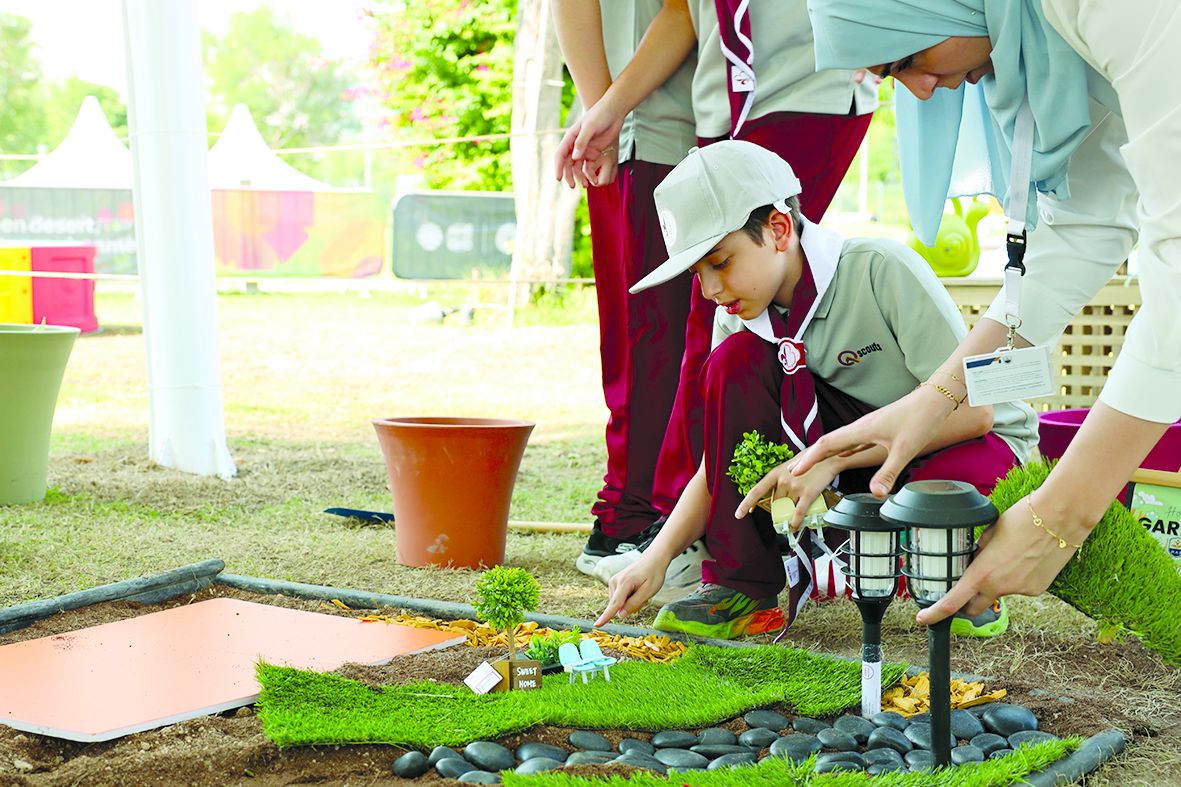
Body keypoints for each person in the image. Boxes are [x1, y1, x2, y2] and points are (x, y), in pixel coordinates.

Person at [791, 0, 1179, 628]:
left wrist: (1060, 518)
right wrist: (938, 395)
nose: (919, 92)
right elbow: (1083, 229)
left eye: (908, 59)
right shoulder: (1032, 45)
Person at [593, 140, 1038, 639]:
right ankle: (741, 584)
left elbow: (972, 413)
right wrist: (654, 559)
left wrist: (830, 460)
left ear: (779, 229)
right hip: (856, 457)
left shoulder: (878, 269)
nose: (712, 290)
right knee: (730, 365)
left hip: (960, 442)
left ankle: (966, 578)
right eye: (698, 274)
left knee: (937, 501)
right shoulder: (739, 319)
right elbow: (717, 463)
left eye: (720, 262)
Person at [556, 0, 876, 588]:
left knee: (733, 331)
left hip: (793, 87)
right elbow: (684, 11)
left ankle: (706, 541)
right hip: (719, 103)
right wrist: (608, 108)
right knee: (713, 336)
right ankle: (692, 532)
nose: (707, 281)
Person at [552, 2, 699, 577]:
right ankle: (632, 518)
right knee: (654, 343)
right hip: (657, 131)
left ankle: (634, 511)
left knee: (642, 340)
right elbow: (684, 14)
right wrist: (606, 114)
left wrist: (600, 112)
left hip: (626, 126)